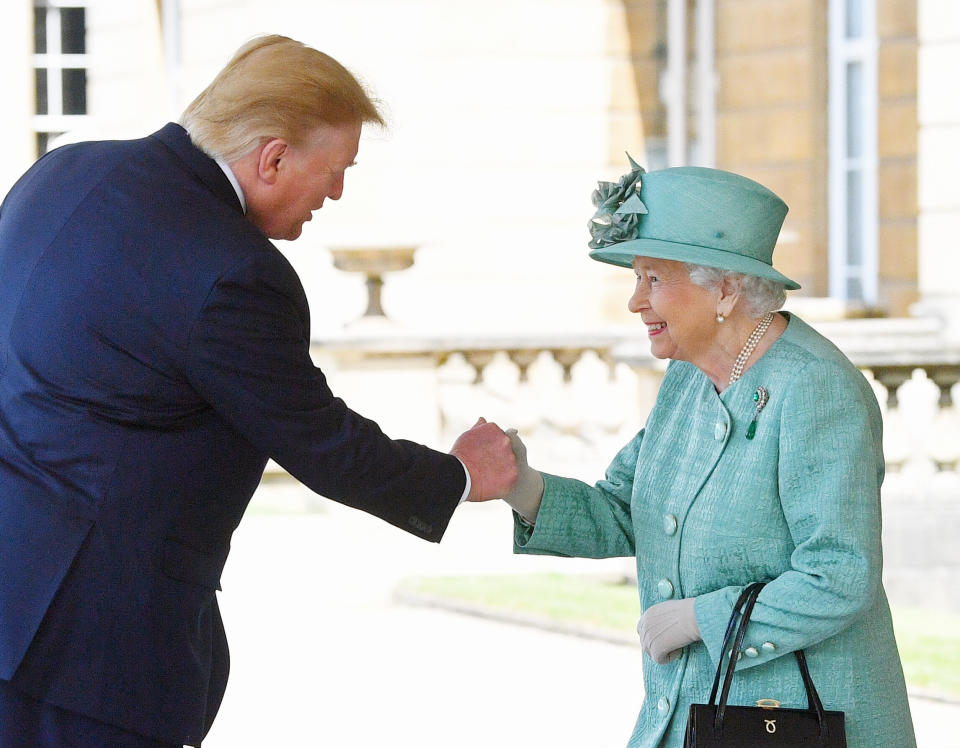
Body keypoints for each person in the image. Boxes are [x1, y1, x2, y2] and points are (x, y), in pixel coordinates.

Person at [0, 35, 516, 747]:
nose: (336, 194)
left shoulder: (60, 171)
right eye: (336, 172)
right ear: (272, 158)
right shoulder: (235, 273)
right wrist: (461, 476)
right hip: (87, 652)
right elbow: (324, 444)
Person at [500, 157, 917, 747]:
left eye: (653, 280)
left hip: (793, 722)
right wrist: (522, 485)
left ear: (723, 287)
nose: (635, 303)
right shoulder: (690, 380)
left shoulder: (816, 389)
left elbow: (839, 575)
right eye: (636, 279)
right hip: (691, 716)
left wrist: (701, 619)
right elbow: (625, 509)